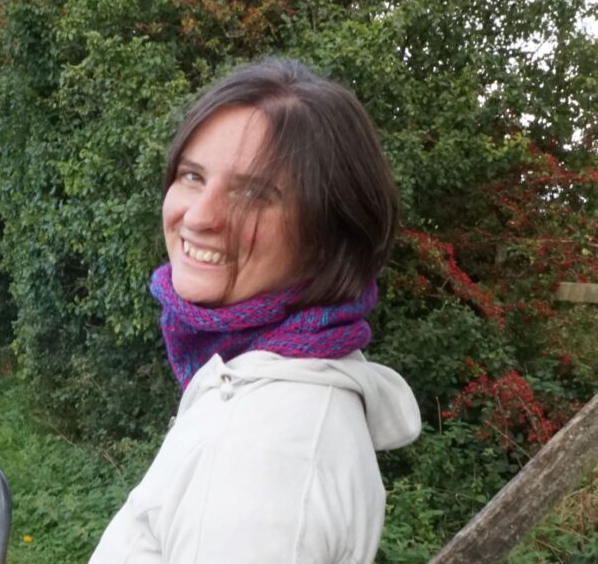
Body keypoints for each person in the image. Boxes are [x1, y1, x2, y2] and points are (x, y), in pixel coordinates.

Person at [89, 58, 422, 563]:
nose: (198, 218)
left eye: (254, 194)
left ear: (328, 236)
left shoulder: (263, 455)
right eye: (193, 176)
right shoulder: (264, 383)